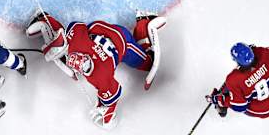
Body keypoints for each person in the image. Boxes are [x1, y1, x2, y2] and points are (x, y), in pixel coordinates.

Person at [26, 9, 166, 129]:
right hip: (99, 29)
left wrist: (107, 114)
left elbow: (115, 93)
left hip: (121, 39)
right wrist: (63, 43)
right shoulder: (78, 46)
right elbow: (76, 26)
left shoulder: (100, 75)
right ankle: (44, 18)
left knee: (148, 63)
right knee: (66, 46)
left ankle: (145, 21)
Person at [206, 43, 269, 118]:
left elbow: (240, 107)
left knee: (230, 89)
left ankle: (221, 106)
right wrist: (255, 49)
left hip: (259, 110)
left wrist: (217, 99)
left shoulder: (233, 79)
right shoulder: (263, 54)